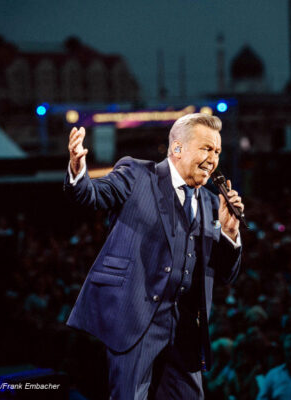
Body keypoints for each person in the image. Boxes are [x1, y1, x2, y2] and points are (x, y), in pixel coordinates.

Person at [64, 113, 244, 399]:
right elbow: (93, 195)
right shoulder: (137, 174)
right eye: (206, 148)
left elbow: (226, 274)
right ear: (177, 148)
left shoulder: (212, 203)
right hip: (136, 321)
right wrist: (78, 170)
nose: (213, 158)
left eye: (218, 151)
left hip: (185, 329)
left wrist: (230, 234)